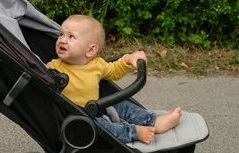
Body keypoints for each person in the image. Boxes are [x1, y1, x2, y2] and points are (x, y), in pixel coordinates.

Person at [47, 15, 182, 145]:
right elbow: (43, 80)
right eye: (61, 34)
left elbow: (114, 70)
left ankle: (153, 121)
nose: (62, 40)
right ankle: (134, 133)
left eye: (71, 37)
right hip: (80, 119)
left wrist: (128, 59)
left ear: (90, 50)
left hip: (97, 106)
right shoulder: (54, 67)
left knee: (121, 103)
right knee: (105, 128)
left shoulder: (97, 65)